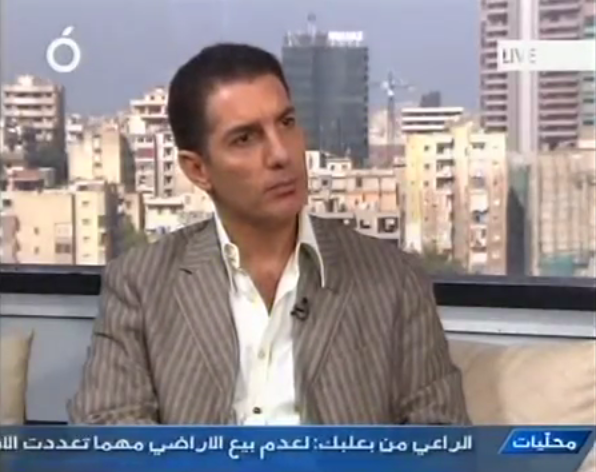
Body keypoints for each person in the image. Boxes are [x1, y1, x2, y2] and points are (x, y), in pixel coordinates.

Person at [68, 43, 469, 425]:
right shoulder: (141, 283)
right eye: (245, 138)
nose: (281, 154)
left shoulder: (394, 279)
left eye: (286, 123)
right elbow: (107, 427)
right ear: (198, 170)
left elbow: (439, 431)